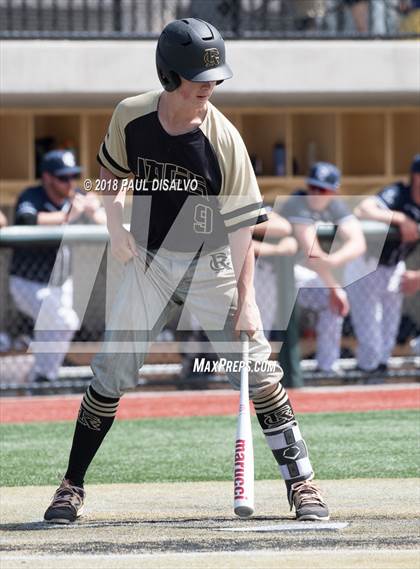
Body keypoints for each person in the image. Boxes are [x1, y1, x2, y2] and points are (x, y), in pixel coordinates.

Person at [44, 18, 329, 524]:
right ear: (169, 76)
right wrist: (116, 227)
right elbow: (107, 179)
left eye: (215, 79)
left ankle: (302, 484)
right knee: (112, 372)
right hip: (150, 261)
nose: (211, 89)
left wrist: (246, 302)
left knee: (259, 371)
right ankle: (71, 486)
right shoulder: (130, 116)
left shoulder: (225, 141)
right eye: (201, 81)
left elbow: (244, 231)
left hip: (212, 262)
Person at [9, 150, 105, 384]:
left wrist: (94, 207)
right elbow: (25, 220)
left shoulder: (75, 196)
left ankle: (42, 379)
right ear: (47, 177)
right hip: (28, 282)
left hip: (61, 282)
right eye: (63, 177)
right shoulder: (33, 195)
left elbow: (104, 220)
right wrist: (67, 217)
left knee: (50, 329)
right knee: (65, 322)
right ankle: (43, 376)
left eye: (73, 176)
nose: (70, 182)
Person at [279, 162, 366, 375]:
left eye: (322, 189)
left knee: (333, 303)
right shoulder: (296, 202)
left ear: (333, 191)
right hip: (271, 274)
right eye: (313, 187)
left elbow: (359, 243)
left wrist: (334, 260)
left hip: (302, 275)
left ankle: (327, 366)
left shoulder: (335, 206)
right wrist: (334, 285)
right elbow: (312, 252)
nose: (315, 194)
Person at [347, 154, 420, 373]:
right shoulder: (398, 193)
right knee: (370, 335)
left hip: (395, 265)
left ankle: (378, 378)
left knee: (388, 334)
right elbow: (363, 209)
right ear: (416, 177)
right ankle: (367, 377)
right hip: (367, 265)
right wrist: (400, 219)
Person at [252, 209, 298, 334]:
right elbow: (239, 244)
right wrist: (278, 249)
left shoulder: (256, 208)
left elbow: (284, 227)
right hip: (245, 273)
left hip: (268, 274)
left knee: (262, 327)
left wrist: (242, 227)